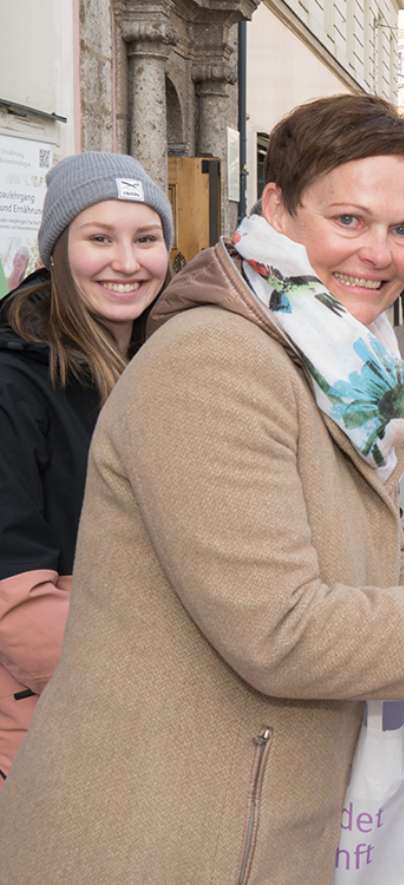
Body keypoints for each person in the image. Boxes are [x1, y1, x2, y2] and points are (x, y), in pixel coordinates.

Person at [0, 95, 404, 882]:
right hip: (159, 831)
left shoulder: (344, 371)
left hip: (254, 814)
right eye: (349, 220)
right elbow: (284, 630)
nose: (381, 254)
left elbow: (371, 577)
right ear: (278, 210)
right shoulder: (216, 359)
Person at [0, 152, 172, 787]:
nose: (127, 263)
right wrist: (170, 677)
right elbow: (15, 607)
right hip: (47, 730)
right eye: (99, 238)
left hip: (137, 717)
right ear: (55, 252)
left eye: (146, 239)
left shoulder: (165, 364)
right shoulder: (15, 384)